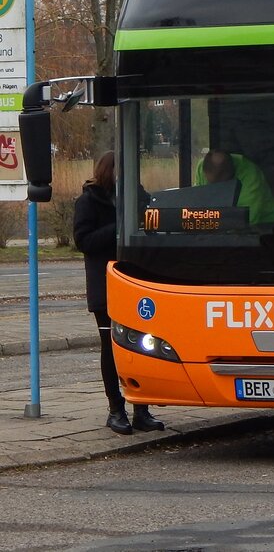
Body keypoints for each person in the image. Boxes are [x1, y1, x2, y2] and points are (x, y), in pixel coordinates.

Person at [73, 151, 165, 435]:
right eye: (120, 170)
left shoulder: (137, 196)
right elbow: (83, 241)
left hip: (137, 284)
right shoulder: (88, 201)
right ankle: (116, 409)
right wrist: (119, 227)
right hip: (106, 285)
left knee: (142, 347)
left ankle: (141, 409)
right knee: (111, 348)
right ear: (108, 171)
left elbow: (152, 225)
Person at [196, 149, 274, 225]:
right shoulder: (201, 167)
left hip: (266, 224)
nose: (216, 189)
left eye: (220, 184)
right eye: (211, 183)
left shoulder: (251, 174)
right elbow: (198, 204)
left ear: (231, 174)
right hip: (221, 223)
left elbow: (247, 217)